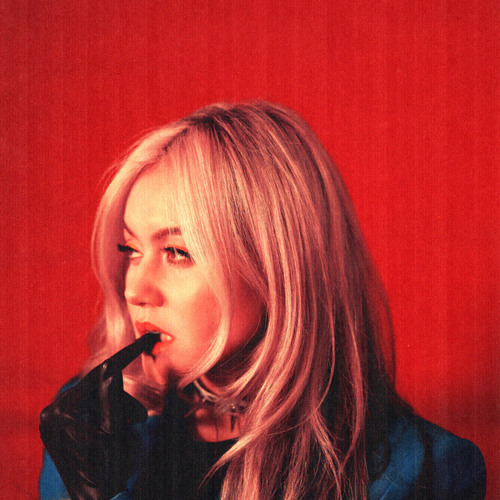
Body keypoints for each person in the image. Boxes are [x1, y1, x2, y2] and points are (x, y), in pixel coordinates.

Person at [39, 102, 486, 500]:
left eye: (177, 252)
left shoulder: (419, 472)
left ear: (276, 268)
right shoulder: (89, 427)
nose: (135, 290)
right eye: (131, 250)